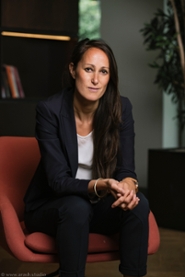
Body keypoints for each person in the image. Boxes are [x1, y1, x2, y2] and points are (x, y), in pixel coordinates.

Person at [24, 38, 150, 277]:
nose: (95, 80)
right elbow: (58, 181)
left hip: (95, 208)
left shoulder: (121, 108)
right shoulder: (49, 111)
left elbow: (126, 170)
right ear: (73, 70)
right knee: (76, 206)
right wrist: (100, 184)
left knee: (138, 203)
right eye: (88, 69)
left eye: (103, 72)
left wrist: (127, 186)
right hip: (52, 207)